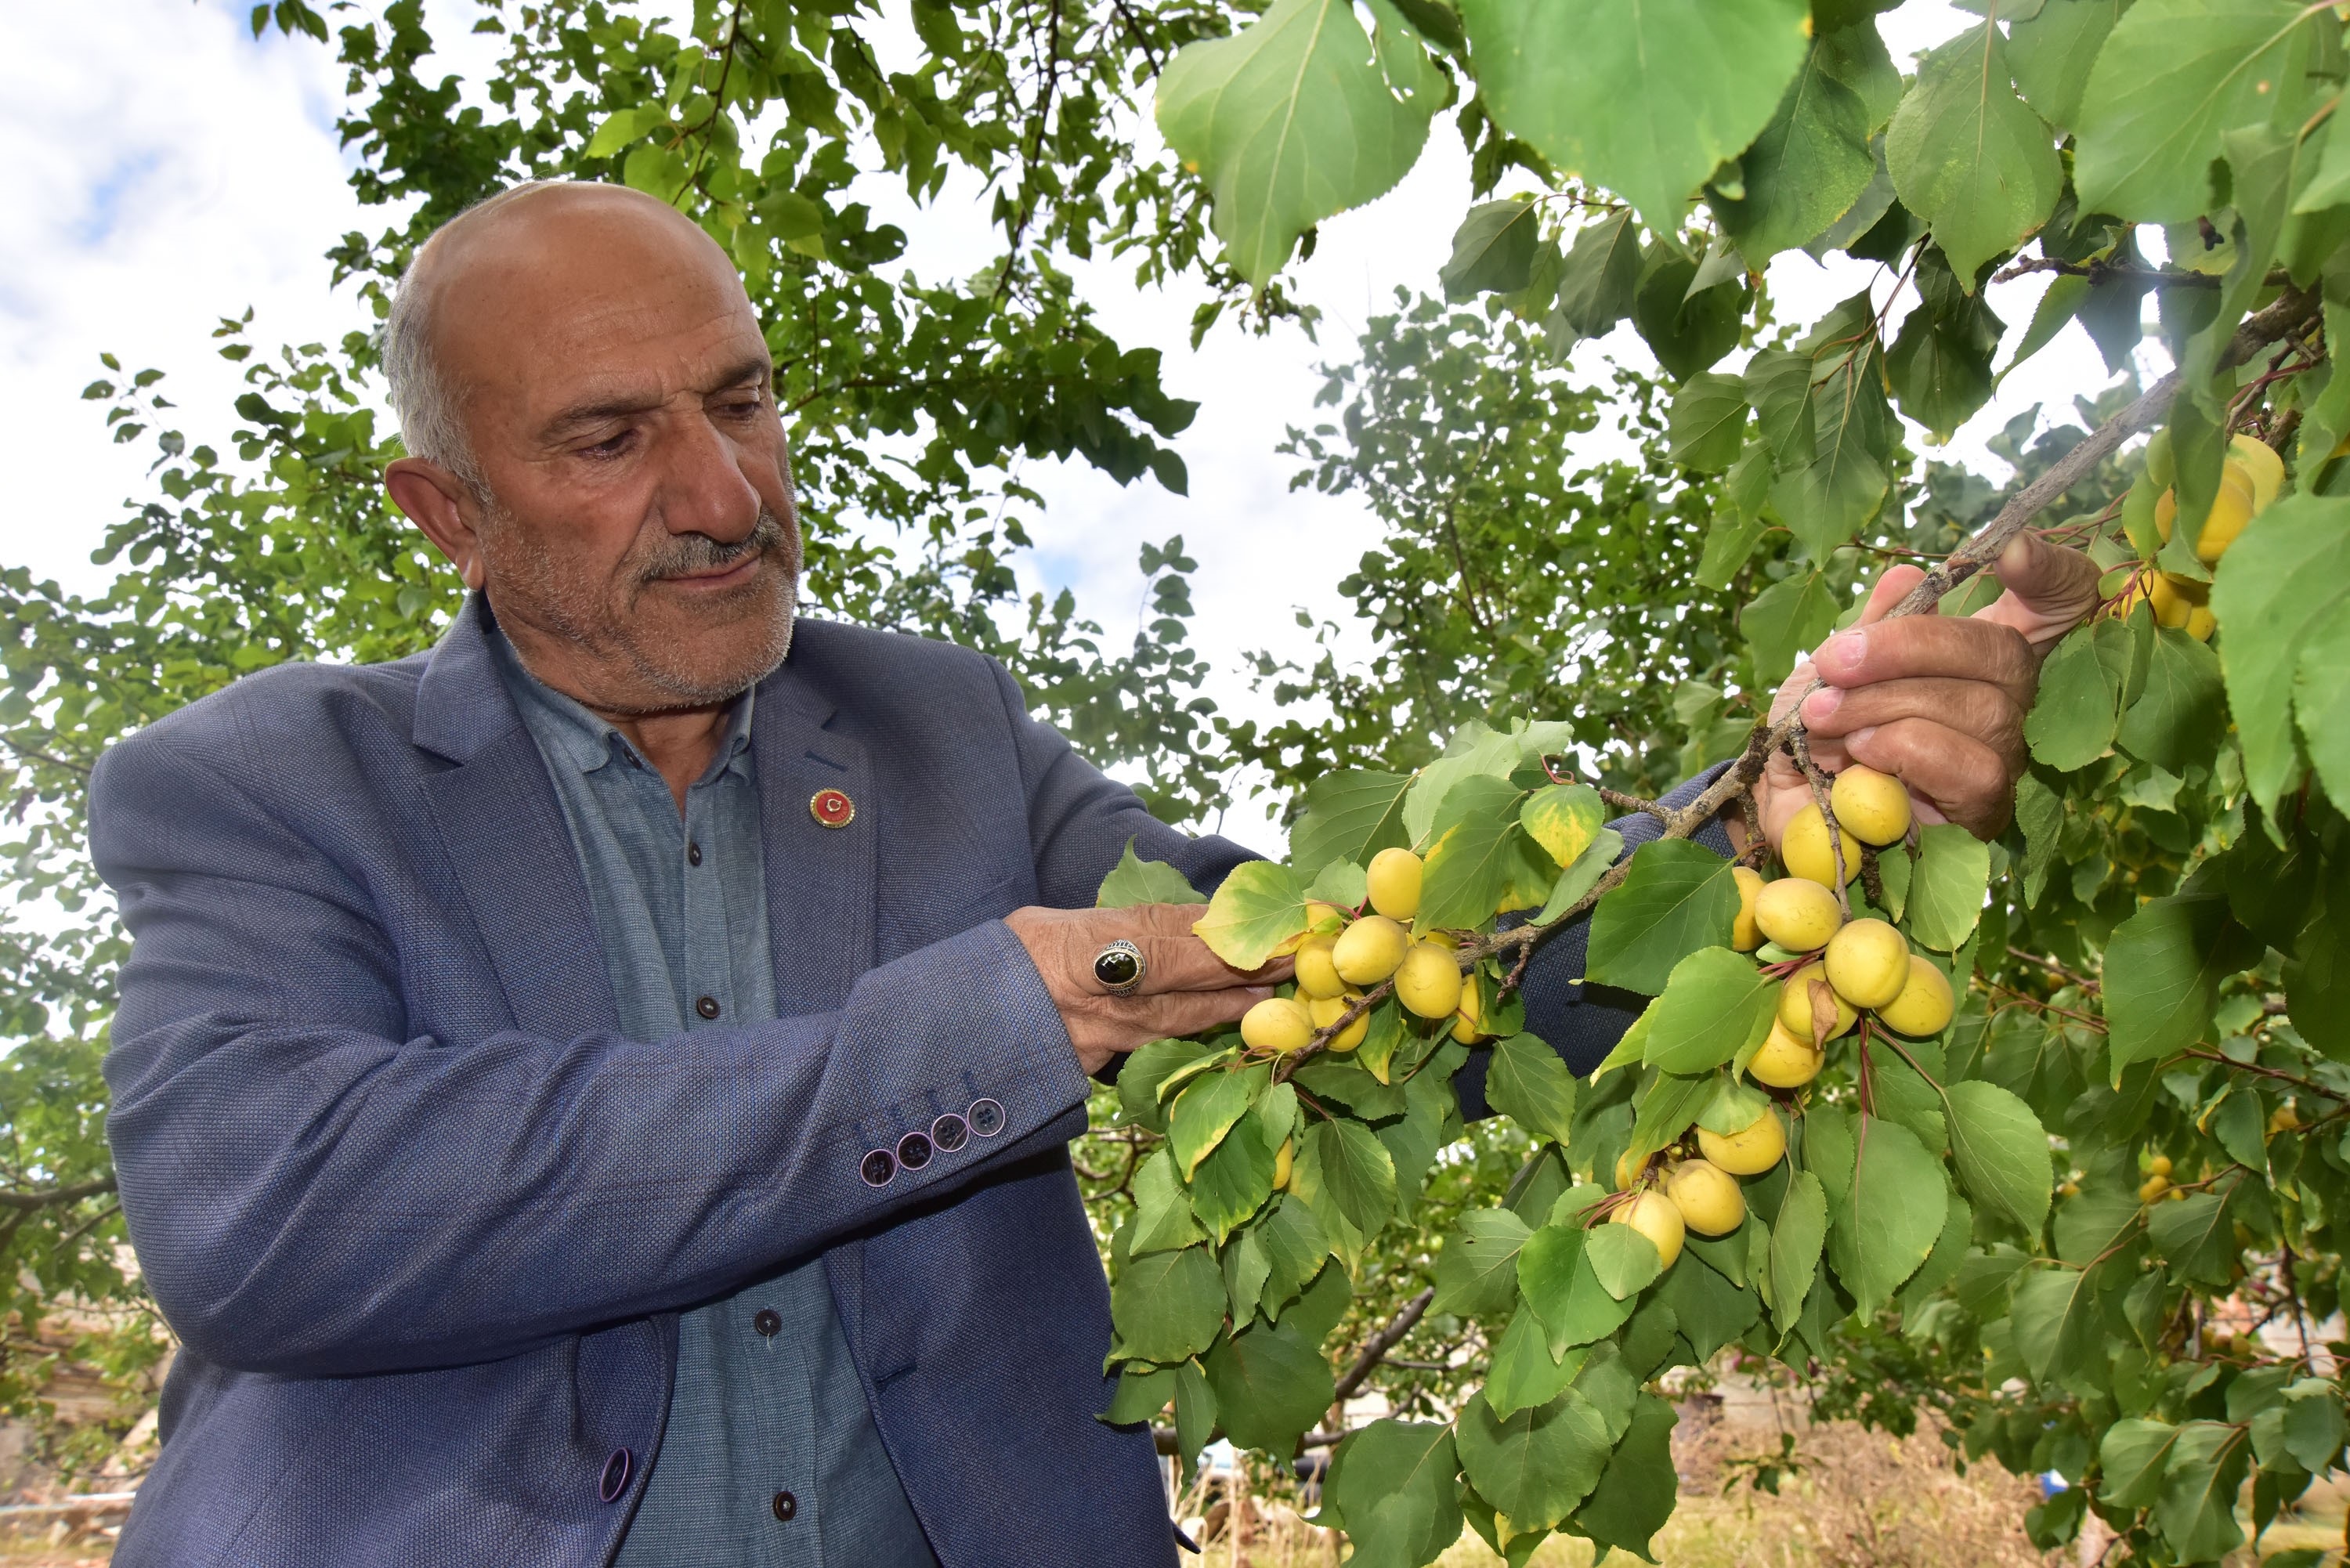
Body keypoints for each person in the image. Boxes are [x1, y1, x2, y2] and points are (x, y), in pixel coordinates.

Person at [88, 181, 2100, 1568]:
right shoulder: (263, 783)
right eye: (611, 440)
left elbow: (1356, 978)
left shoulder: (942, 731)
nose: (725, 494)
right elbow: (278, 1211)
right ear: (443, 506)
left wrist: (1751, 825)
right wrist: (976, 1026)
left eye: (744, 398)